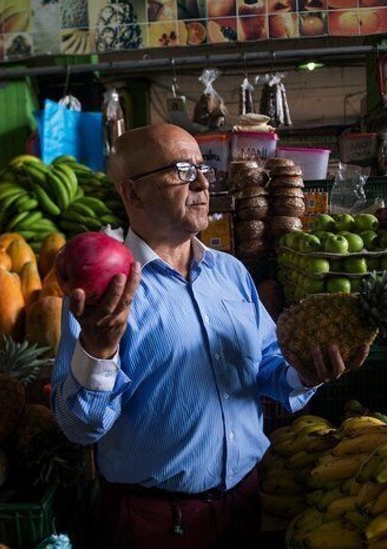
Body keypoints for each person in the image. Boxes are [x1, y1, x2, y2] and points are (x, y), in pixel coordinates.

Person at [51, 124, 369, 548]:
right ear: (132, 193)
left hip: (243, 504)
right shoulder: (101, 297)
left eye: (203, 168)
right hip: (155, 524)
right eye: (182, 170)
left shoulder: (231, 273)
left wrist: (305, 372)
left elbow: (270, 365)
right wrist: (99, 350)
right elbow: (78, 428)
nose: (202, 183)